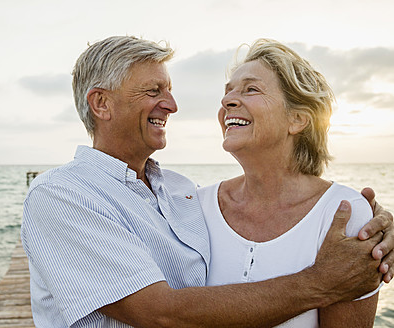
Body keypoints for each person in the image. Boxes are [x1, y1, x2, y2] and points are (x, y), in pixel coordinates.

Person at [21, 36, 394, 328]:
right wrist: (321, 282)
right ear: (101, 104)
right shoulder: (62, 196)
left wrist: (374, 224)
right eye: (154, 91)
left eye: (249, 89)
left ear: (298, 120)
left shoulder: (182, 194)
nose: (172, 104)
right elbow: (162, 314)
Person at [198, 38, 383, 328]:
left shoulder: (344, 214)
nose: (227, 101)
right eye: (228, 92)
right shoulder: (195, 205)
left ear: (297, 119)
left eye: (251, 89)